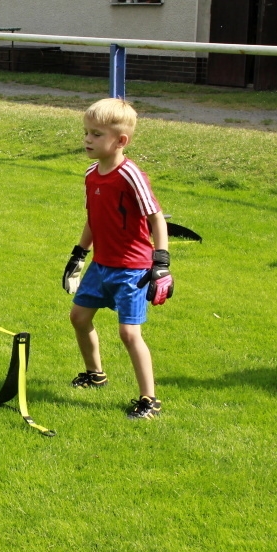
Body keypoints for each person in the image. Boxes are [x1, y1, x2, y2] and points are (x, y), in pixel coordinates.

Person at [61, 98, 172, 420]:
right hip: (101, 265)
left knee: (129, 333)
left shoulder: (131, 175)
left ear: (120, 141)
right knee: (79, 317)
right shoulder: (91, 174)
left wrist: (161, 263)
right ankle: (95, 374)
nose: (86, 140)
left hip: (132, 268)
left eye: (96, 134)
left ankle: (149, 399)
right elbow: (93, 219)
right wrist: (79, 255)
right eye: (85, 132)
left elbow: (157, 218)